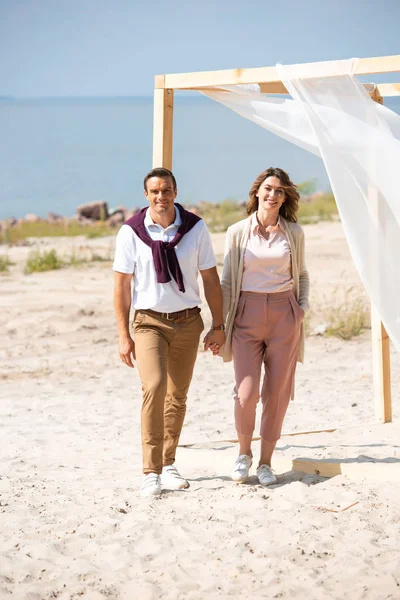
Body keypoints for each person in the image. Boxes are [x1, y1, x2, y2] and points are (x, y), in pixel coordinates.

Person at [113, 167, 225, 498]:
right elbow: (121, 286)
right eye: (155, 192)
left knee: (178, 393)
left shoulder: (195, 228)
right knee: (155, 386)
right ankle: (151, 470)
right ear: (146, 196)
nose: (161, 196)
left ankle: (169, 462)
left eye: (166, 191)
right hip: (149, 322)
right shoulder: (131, 232)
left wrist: (218, 325)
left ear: (176, 192)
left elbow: (210, 279)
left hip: (189, 321)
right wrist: (123, 334)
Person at [220, 167, 309, 487]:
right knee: (246, 393)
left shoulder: (294, 233)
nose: (273, 195)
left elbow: (302, 276)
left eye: (280, 191)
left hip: (285, 314)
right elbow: (228, 281)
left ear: (285, 197)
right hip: (246, 313)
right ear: (257, 192)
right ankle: (243, 454)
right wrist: (219, 324)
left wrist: (301, 310)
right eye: (268, 188)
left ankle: (266, 461)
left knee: (277, 394)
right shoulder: (237, 232)